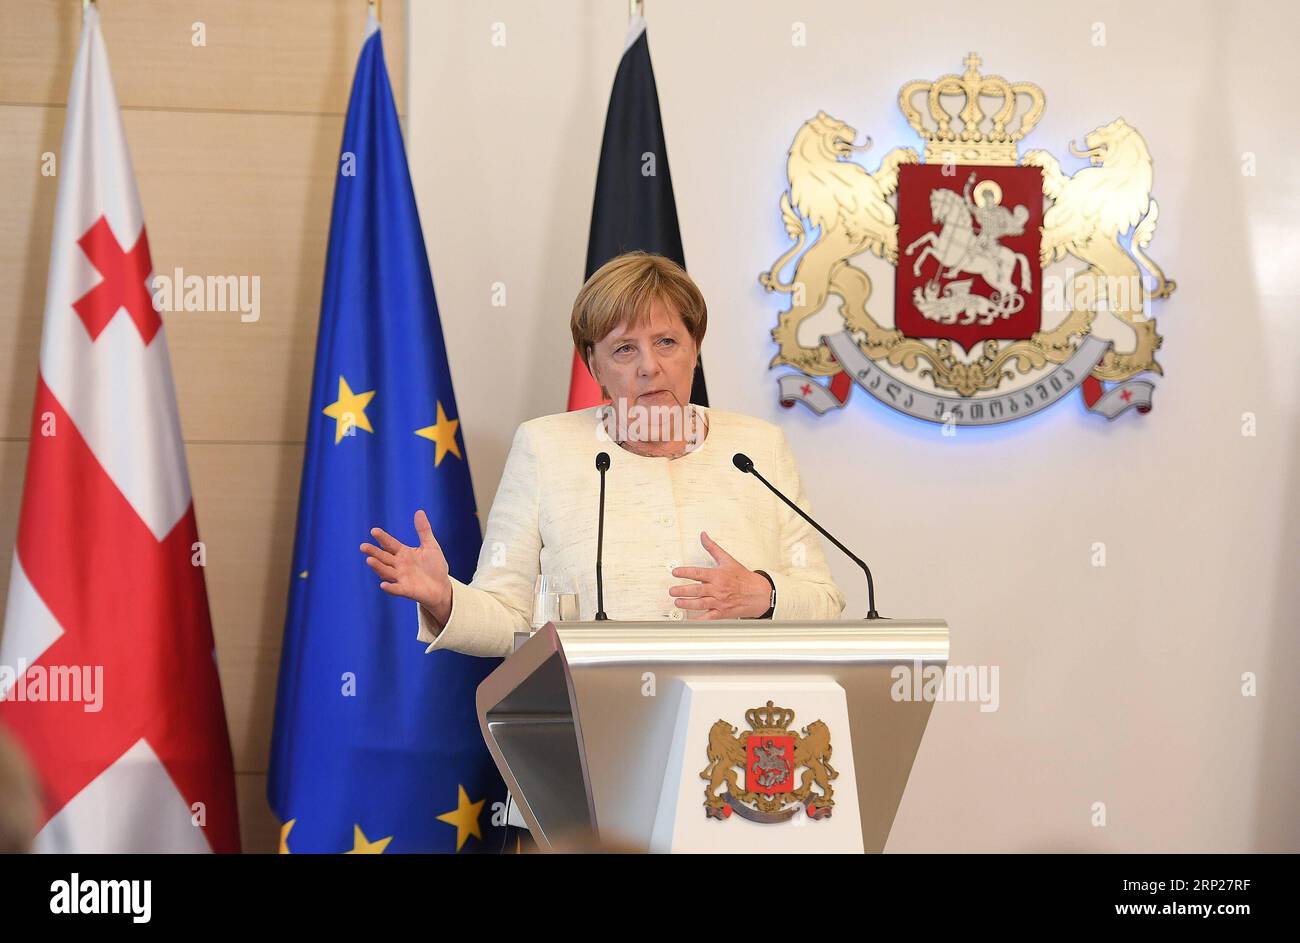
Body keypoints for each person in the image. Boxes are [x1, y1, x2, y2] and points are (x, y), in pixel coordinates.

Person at [361, 251, 846, 658]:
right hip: (595, 729)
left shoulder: (758, 449)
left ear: (695, 349)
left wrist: (761, 592)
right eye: (624, 350)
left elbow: (824, 599)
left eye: (667, 342)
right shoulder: (545, 448)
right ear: (594, 364)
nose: (649, 367)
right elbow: (511, 618)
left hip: (741, 728)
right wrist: (446, 599)